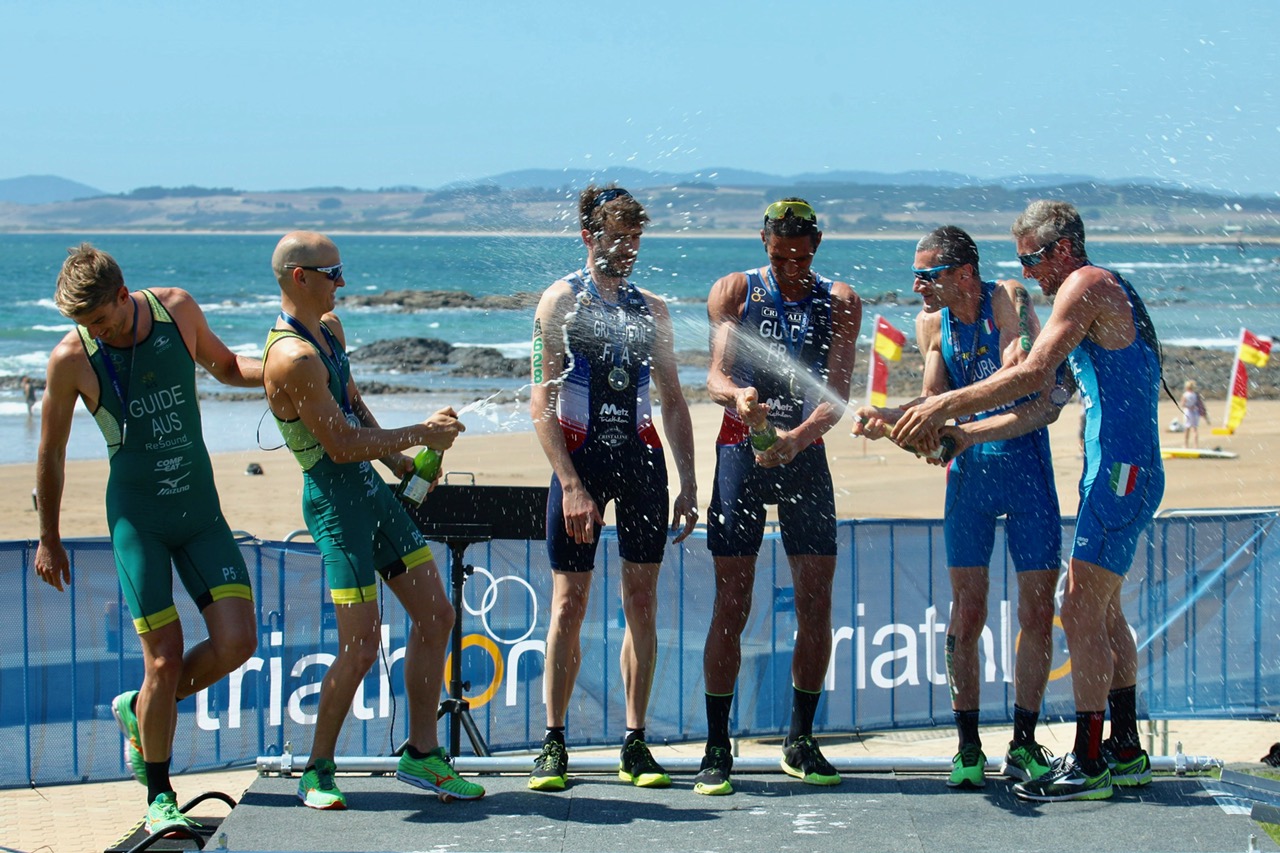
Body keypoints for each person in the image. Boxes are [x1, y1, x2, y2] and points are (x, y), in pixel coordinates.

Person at [893, 200, 1165, 802]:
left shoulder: (1087, 285)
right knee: (1108, 610)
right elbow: (1047, 404)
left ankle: (1089, 761)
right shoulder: (1094, 298)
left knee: (1079, 608)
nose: (1027, 273)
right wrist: (966, 433)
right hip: (1123, 469)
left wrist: (942, 407)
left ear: (1061, 249)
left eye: (1031, 259)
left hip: (1120, 470)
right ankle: (1125, 748)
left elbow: (1034, 372)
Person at [34, 244, 260, 836]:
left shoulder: (177, 311)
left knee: (238, 642)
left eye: (100, 319)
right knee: (162, 657)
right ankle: (159, 793)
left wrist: (287, 369)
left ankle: (139, 711)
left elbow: (230, 367)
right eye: (83, 325)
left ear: (121, 292)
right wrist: (48, 537)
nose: (94, 332)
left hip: (201, 513)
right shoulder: (70, 359)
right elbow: (50, 453)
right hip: (139, 521)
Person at [262, 231, 483, 809]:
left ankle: (422, 755)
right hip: (336, 504)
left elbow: (356, 406)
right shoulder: (293, 357)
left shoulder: (329, 332)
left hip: (371, 492)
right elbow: (337, 445)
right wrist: (421, 433)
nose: (343, 282)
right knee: (361, 648)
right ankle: (317, 768)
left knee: (437, 616)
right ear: (299, 278)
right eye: (332, 272)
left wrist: (402, 460)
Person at [853, 226, 1066, 789]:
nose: (917, 286)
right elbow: (930, 406)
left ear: (964, 274)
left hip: (1027, 475)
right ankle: (967, 745)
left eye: (927, 275)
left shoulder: (1006, 299)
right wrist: (890, 422)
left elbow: (1021, 380)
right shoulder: (929, 323)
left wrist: (950, 423)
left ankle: (1023, 742)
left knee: (1035, 614)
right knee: (967, 612)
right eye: (915, 275)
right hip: (969, 481)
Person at [527, 185, 697, 792]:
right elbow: (541, 402)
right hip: (580, 462)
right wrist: (572, 485)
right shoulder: (560, 301)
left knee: (641, 603)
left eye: (634, 239)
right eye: (615, 237)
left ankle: (634, 741)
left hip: (643, 462)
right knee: (569, 604)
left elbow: (673, 400)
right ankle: (553, 742)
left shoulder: (653, 308)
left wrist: (687, 478)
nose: (626, 249)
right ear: (588, 237)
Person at [695, 198, 861, 796]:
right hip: (741, 450)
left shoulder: (839, 300)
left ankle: (800, 740)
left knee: (816, 603)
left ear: (817, 245)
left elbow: (837, 393)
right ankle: (717, 749)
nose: (793, 266)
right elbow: (713, 374)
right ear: (764, 242)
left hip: (802, 452)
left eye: (803, 255)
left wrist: (795, 439)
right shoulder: (735, 290)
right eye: (782, 255)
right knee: (731, 603)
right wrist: (736, 396)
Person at [1180, 380, 1209, 448]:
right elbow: (1199, 404)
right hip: (1195, 412)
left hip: (1188, 412)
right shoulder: (1195, 394)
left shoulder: (1185, 395)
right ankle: (1196, 445)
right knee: (1195, 429)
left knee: (1187, 429)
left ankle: (1186, 445)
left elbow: (1182, 404)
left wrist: (1189, 406)